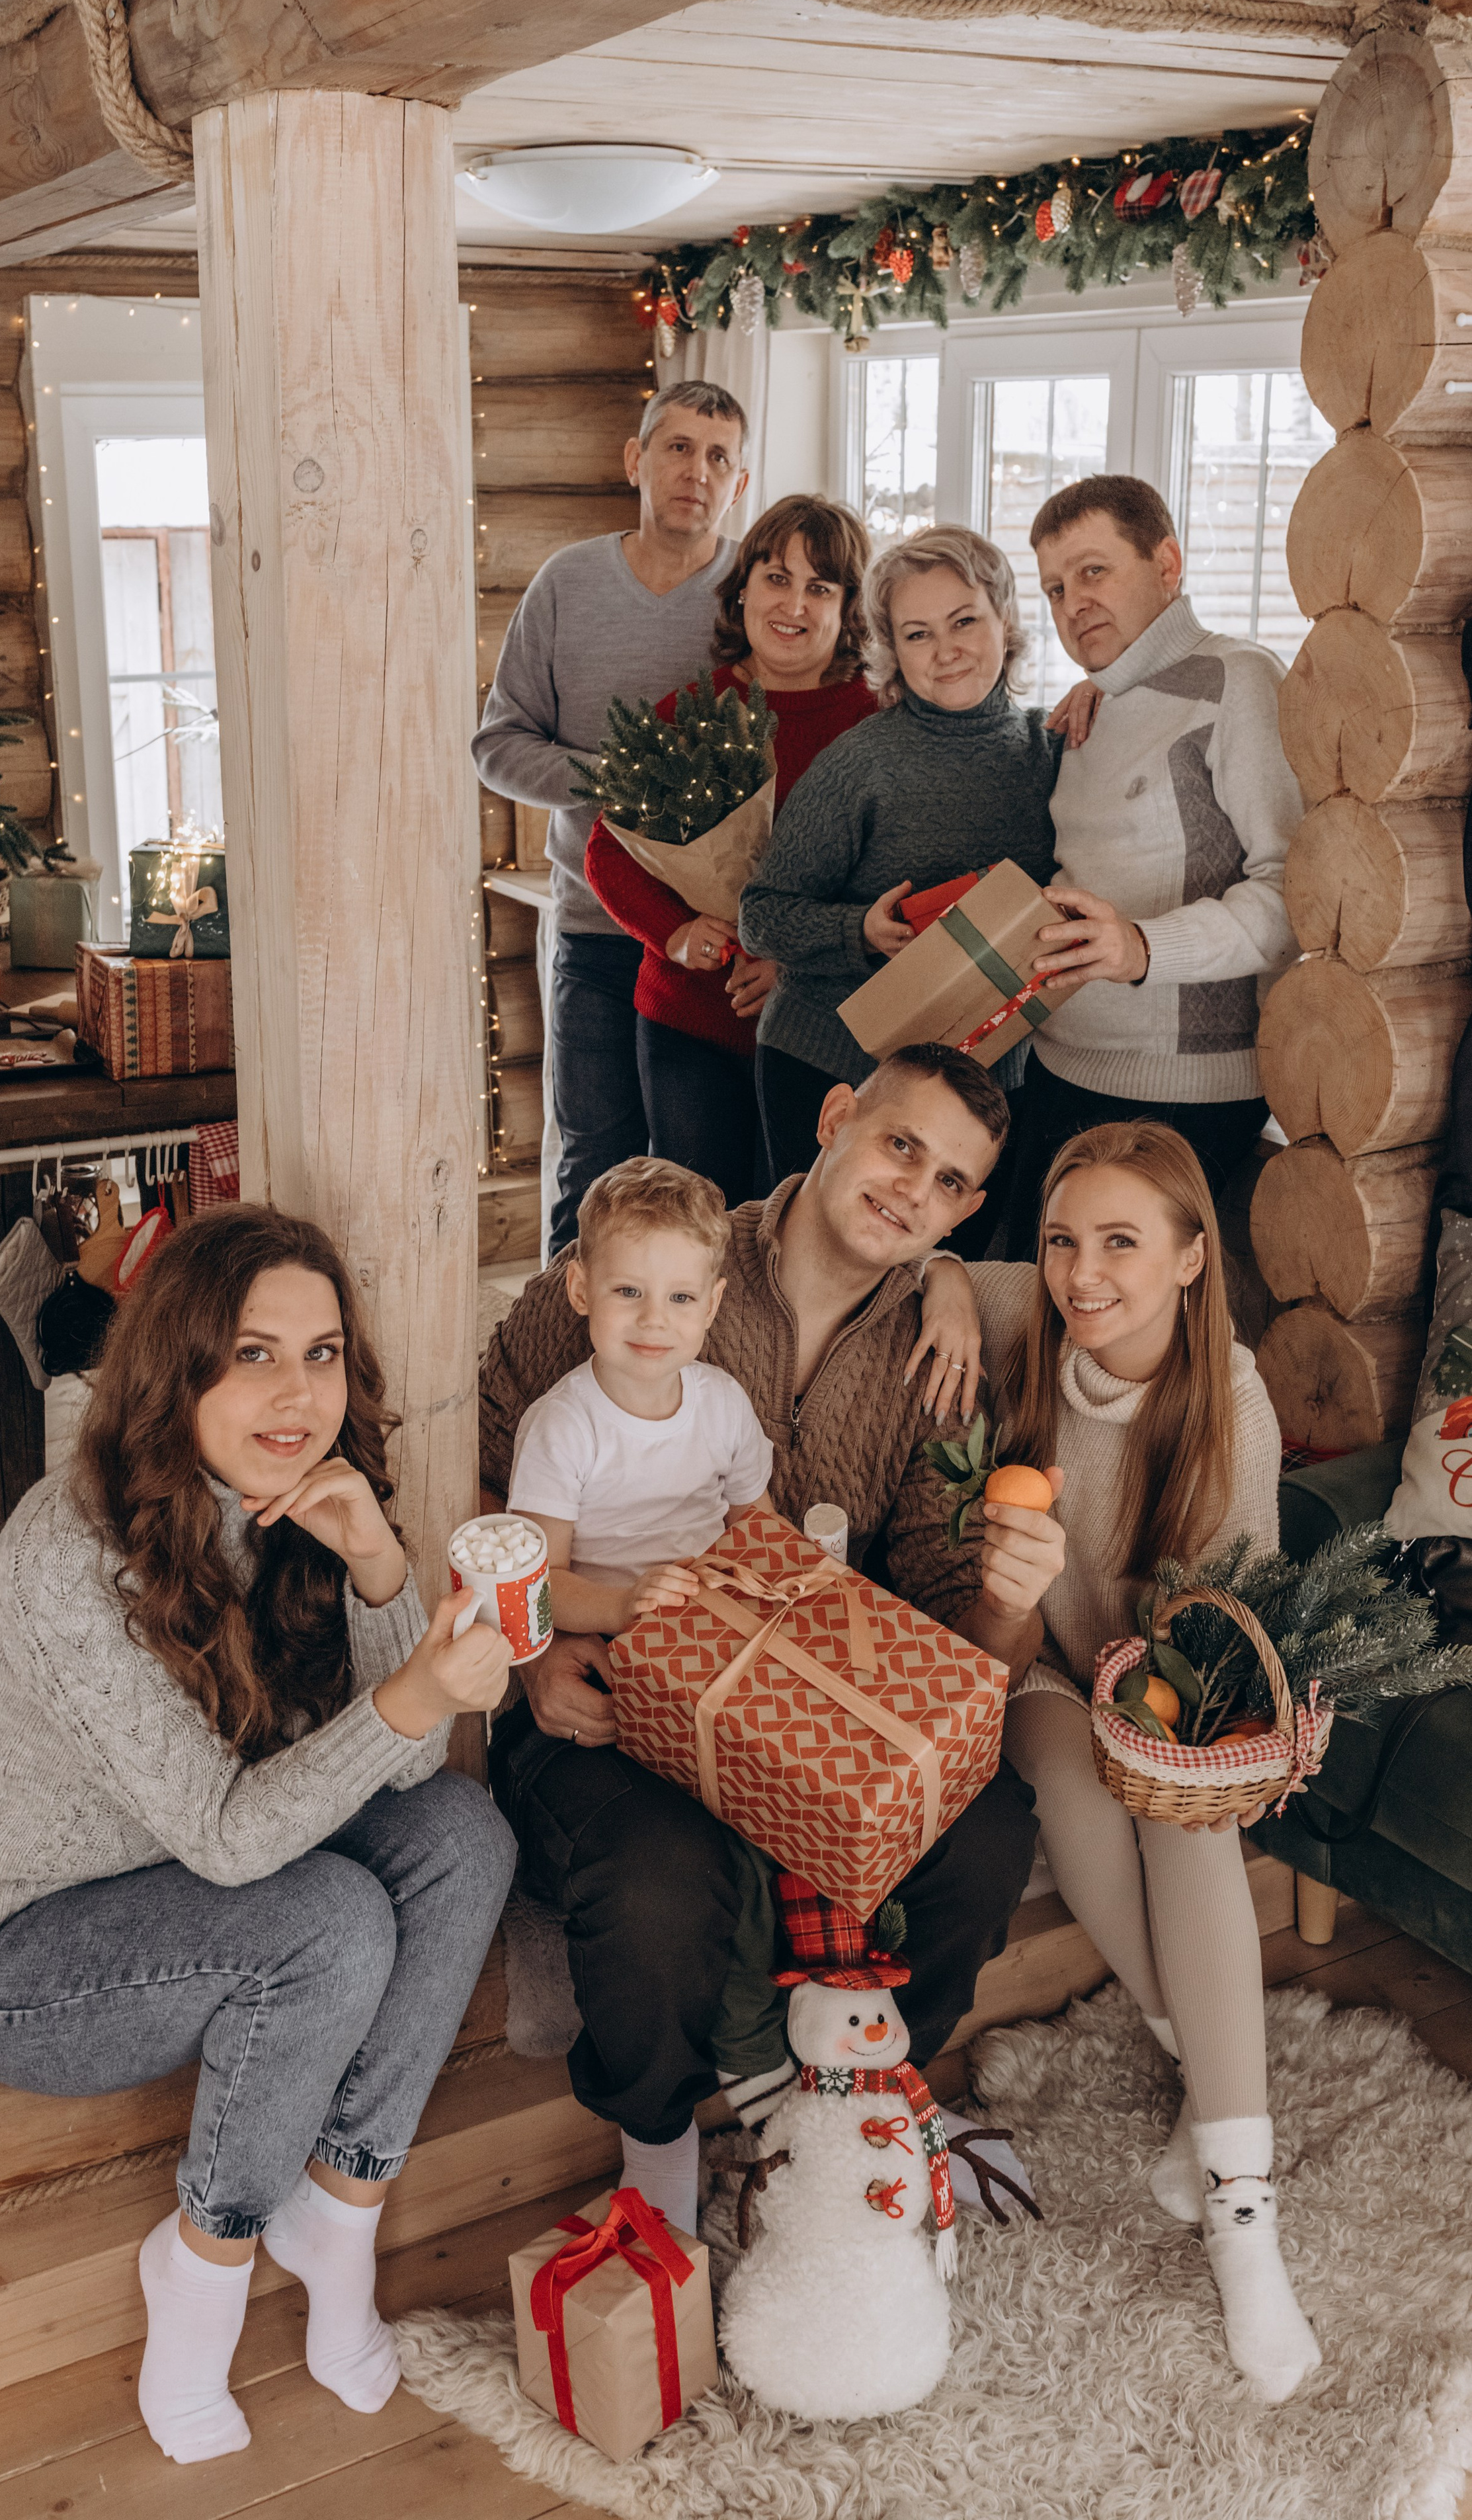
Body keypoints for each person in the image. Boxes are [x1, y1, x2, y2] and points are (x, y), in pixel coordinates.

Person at [0, 1209, 516, 2466]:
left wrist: (378, 1570)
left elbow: (400, 1768)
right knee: (326, 1925)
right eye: (253, 1355)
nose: (298, 1395)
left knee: (464, 1835)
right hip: (14, 1956)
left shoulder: (287, 1500)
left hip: (200, 1882)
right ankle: (203, 2265)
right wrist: (416, 1688)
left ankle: (339, 2214)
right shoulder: (62, 1561)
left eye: (323, 1353)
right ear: (176, 1365)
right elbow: (237, 1845)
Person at [477, 1042, 1066, 2238]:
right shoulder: (662, 1259)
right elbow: (486, 1465)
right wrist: (535, 1654)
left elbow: (969, 1628)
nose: (915, 1190)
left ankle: (865, 2083)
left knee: (989, 1820)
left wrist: (1013, 1595)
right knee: (659, 1877)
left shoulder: (939, 1363)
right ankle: (659, 2142)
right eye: (901, 1144)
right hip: (602, 1678)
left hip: (803, 1696)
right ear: (837, 1115)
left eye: (952, 1185)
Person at [956, 1122, 1321, 2400]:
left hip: (1172, 1682)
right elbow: (934, 1268)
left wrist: (1170, 1714)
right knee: (1067, 1777)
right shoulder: (1019, 1319)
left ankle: (1242, 2213)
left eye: (1120, 1242)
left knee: (1178, 1817)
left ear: (1188, 1257)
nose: (1081, 1273)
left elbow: (1234, 1626)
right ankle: (1205, 2066)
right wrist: (957, 1282)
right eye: (1062, 1241)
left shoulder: (1234, 1402)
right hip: (1049, 1667)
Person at [738, 524, 1083, 1247]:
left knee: (945, 1290)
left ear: (1005, 621)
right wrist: (858, 931)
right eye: (918, 634)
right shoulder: (861, 763)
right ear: (891, 652)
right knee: (819, 1276)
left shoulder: (1051, 751)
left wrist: (1104, 693)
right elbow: (762, 918)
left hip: (981, 1084)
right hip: (832, 1070)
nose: (947, 649)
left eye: (964, 621)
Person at [472, 380, 750, 1252]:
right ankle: (561, 1369)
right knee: (593, 1168)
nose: (695, 472)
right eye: (676, 447)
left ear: (739, 482)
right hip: (594, 937)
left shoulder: (757, 595)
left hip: (715, 943)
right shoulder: (568, 584)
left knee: (702, 1180)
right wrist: (627, 782)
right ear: (635, 459)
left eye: (718, 457)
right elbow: (497, 744)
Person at [1007, 474, 1303, 1254]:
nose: (1073, 602)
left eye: (1094, 571)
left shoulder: (1238, 680)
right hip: (1058, 1066)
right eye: (1054, 588)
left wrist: (1142, 948)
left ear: (1166, 564)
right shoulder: (1089, 706)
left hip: (1182, 1097)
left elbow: (1289, 895)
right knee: (1017, 1307)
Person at [584, 495, 876, 1205]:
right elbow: (609, 852)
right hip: (690, 1023)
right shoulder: (694, 711)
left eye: (820, 587)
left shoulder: (876, 726)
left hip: (823, 1034)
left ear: (848, 608)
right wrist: (677, 933)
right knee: (695, 1225)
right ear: (742, 588)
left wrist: (795, 962)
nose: (794, 604)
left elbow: (886, 882)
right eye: (776, 578)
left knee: (796, 1224)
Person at [509, 1157, 774, 1642]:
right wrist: (622, 1607)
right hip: (616, 1639)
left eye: (681, 1298)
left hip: (724, 1622)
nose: (654, 1319)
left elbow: (759, 1528)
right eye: (629, 1291)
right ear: (581, 1289)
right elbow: (538, 1584)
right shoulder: (562, 1426)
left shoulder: (725, 1404)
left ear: (711, 1305)